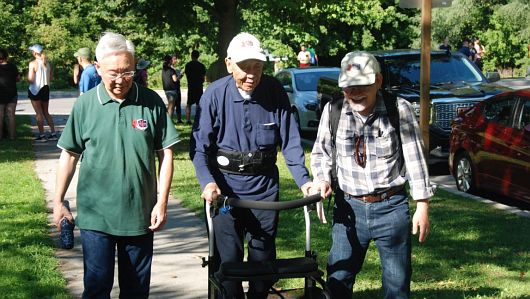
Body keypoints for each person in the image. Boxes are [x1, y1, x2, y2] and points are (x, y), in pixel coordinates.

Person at [52, 32, 180, 299]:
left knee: (135, 291)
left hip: (140, 215)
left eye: (127, 71)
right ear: (97, 68)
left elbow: (166, 154)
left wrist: (162, 201)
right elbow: (69, 155)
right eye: (113, 73)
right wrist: (58, 200)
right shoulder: (85, 105)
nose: (120, 79)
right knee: (97, 288)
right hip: (96, 214)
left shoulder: (151, 102)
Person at [190, 32, 313, 299]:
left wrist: (305, 181)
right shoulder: (213, 95)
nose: (251, 75)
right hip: (225, 191)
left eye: (257, 67)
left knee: (262, 257)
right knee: (228, 261)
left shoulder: (274, 92)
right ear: (229, 64)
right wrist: (207, 182)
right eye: (245, 68)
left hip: (264, 190)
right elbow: (199, 148)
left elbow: (291, 143)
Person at [310, 51, 433, 298]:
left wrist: (422, 205)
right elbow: (321, 152)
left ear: (377, 80)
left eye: (362, 85)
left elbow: (414, 158)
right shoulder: (333, 110)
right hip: (348, 208)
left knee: (397, 282)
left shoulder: (399, 109)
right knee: (338, 277)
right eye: (348, 87)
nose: (355, 92)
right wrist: (322, 178)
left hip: (392, 207)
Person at [27, 44, 57, 142]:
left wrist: (26, 78)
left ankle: (42, 135)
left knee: (38, 113)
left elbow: (31, 79)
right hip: (46, 88)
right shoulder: (47, 63)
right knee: (46, 112)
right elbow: (51, 78)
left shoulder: (33, 63)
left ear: (35, 53)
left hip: (35, 90)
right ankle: (53, 133)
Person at [0, 48, 19, 140]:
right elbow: (17, 79)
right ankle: (12, 136)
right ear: (6, 56)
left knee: (0, 115)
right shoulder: (12, 66)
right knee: (11, 115)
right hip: (12, 93)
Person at [184, 50, 206, 124]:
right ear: (198, 56)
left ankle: (188, 119)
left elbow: (187, 75)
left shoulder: (188, 65)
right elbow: (204, 78)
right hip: (199, 86)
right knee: (198, 104)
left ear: (191, 56)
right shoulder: (201, 66)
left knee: (188, 104)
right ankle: (198, 119)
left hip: (191, 86)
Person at [162, 54, 183, 122]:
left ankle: (169, 120)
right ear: (170, 61)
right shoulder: (171, 70)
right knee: (171, 106)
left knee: (170, 105)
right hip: (172, 90)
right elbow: (175, 80)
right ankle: (168, 121)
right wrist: (180, 76)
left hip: (166, 90)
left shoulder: (163, 70)